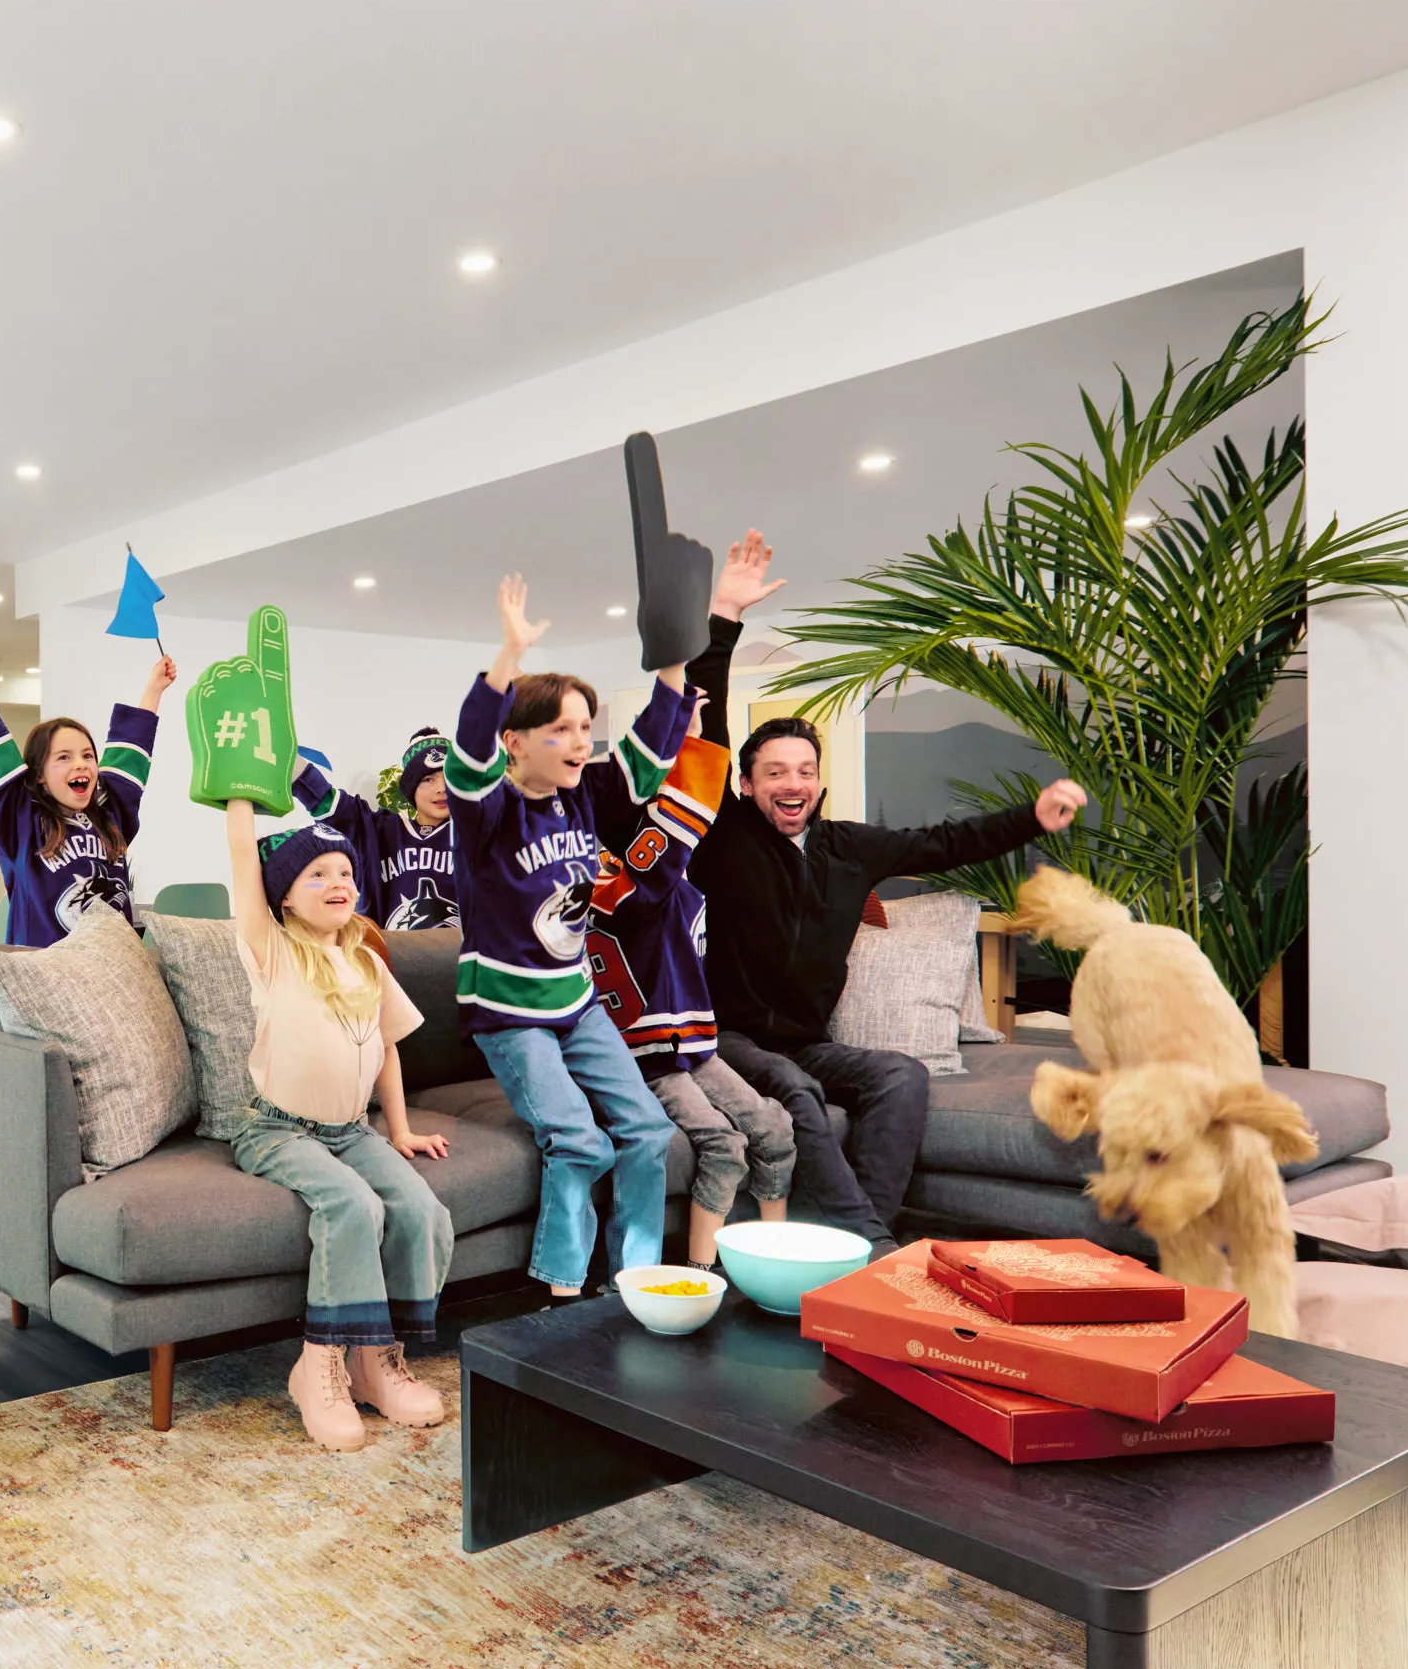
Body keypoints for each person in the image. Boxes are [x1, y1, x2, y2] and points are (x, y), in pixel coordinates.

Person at [687, 531, 1088, 1255]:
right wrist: (724, 616)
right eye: (773, 771)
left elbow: (946, 842)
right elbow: (706, 722)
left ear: (818, 778)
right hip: (729, 1037)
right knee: (798, 1095)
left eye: (803, 769)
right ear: (747, 784)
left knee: (899, 1076)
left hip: (808, 1041)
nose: (791, 783)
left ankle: (852, 1234)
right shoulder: (727, 835)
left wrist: (1032, 817)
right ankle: (873, 1248)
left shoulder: (849, 846)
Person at [446, 575, 687, 1297]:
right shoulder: (488, 814)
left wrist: (673, 662)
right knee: (577, 1138)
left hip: (575, 1001)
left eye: (586, 727)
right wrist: (507, 656)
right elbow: (465, 757)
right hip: (510, 1013)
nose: (582, 741)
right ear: (515, 742)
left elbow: (648, 754)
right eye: (563, 729)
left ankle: (636, 1274)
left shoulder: (584, 794)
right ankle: (560, 1288)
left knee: (648, 1130)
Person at [220, 798, 456, 1448]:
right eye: (317, 874)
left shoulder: (368, 959)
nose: (338, 883)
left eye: (345, 871)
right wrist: (241, 794)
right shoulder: (271, 950)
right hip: (276, 1127)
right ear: (286, 899)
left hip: (353, 1128)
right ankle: (318, 1363)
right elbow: (244, 859)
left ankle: (375, 1360)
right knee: (352, 1205)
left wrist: (400, 1129)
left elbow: (389, 1049)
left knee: (421, 1210)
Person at [581, 707, 796, 1269]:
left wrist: (688, 735)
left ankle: (771, 1262)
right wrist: (693, 747)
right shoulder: (602, 873)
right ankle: (701, 1273)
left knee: (773, 1128)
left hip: (692, 1038)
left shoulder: (678, 871)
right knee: (723, 1145)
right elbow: (650, 872)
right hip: (641, 1050)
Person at [0, 629, 175, 946]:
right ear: (38, 775)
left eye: (88, 756)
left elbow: (130, 758)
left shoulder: (110, 814)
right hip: (45, 976)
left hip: (111, 969)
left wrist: (154, 690)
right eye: (64, 757)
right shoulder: (22, 821)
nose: (80, 764)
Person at [288, 728, 460, 929]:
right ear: (411, 788)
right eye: (427, 780)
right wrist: (285, 757)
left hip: (458, 956)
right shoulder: (380, 830)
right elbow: (327, 802)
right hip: (387, 954)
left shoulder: (475, 834)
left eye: (449, 778)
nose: (441, 789)